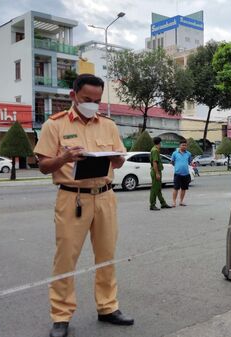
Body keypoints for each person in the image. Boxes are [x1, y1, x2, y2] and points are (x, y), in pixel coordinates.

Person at [34, 74, 134, 337]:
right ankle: (61, 316)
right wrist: (64, 157)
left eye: (97, 100)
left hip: (104, 195)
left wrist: (116, 158)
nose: (92, 104)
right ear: (73, 95)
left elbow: (119, 162)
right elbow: (43, 166)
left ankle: (108, 307)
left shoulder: (109, 125)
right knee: (65, 258)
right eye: (87, 99)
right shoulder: (53, 125)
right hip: (72, 196)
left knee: (106, 255)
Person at [150, 137, 172, 211]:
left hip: (157, 171)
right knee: (154, 189)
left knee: (158, 188)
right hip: (156, 171)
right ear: (160, 142)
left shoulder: (154, 149)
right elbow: (155, 162)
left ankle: (163, 203)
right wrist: (157, 173)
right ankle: (152, 205)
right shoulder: (155, 150)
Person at [170, 140, 192, 207]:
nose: (184, 146)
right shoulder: (175, 153)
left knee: (184, 188)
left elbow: (189, 162)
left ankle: (181, 201)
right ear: (179, 146)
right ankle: (174, 202)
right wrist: (177, 167)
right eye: (183, 145)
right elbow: (172, 162)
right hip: (178, 174)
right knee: (176, 188)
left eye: (185, 145)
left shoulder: (188, 154)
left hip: (186, 174)